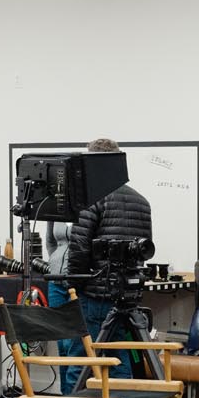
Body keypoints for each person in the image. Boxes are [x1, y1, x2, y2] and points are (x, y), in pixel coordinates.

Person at [65, 137, 154, 350]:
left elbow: (79, 248)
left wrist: (74, 285)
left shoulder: (91, 199)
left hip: (95, 295)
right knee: (120, 356)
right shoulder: (142, 201)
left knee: (83, 356)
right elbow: (144, 249)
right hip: (127, 295)